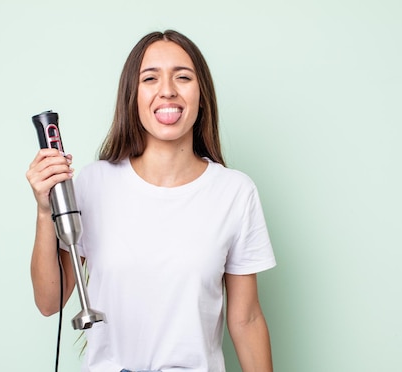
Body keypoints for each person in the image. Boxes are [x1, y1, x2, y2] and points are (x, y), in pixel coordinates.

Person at [26, 29, 276, 372]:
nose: (168, 90)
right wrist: (44, 211)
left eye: (183, 77)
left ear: (202, 95)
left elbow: (246, 319)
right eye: (150, 78)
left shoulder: (234, 192)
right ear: (133, 96)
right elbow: (48, 302)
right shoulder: (93, 182)